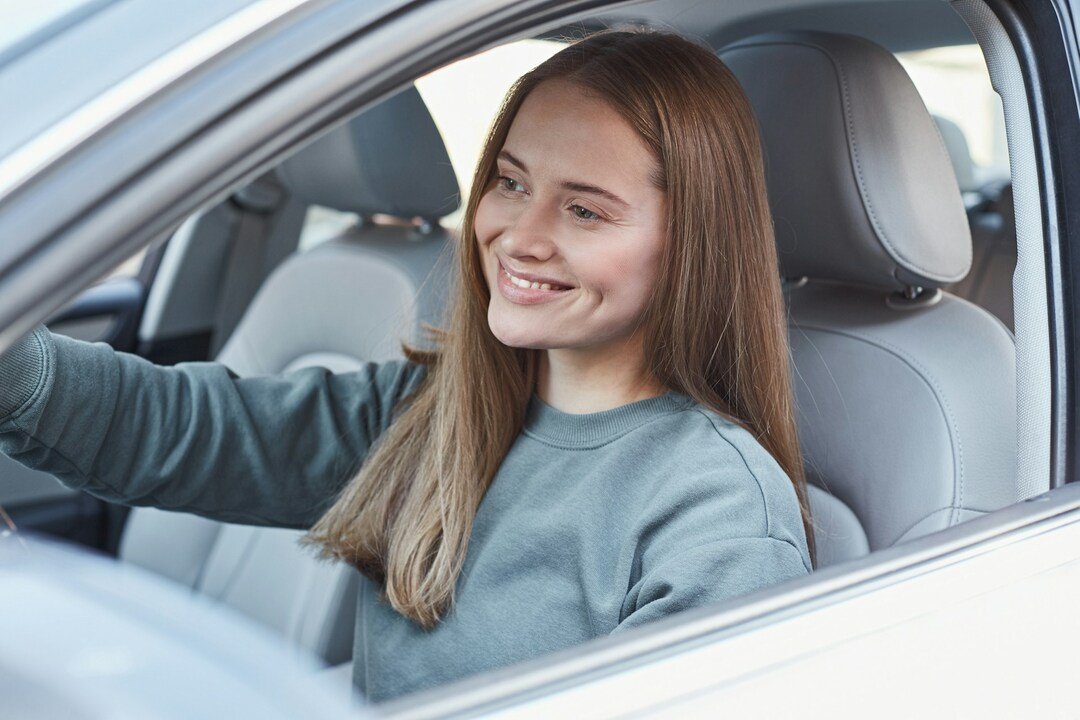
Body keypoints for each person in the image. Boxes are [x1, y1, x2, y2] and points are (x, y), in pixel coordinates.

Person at [0, 28, 815, 702]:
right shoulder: (437, 406)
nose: (518, 235)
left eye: (583, 209)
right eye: (509, 181)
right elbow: (179, 431)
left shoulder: (718, 513)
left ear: (690, 245)